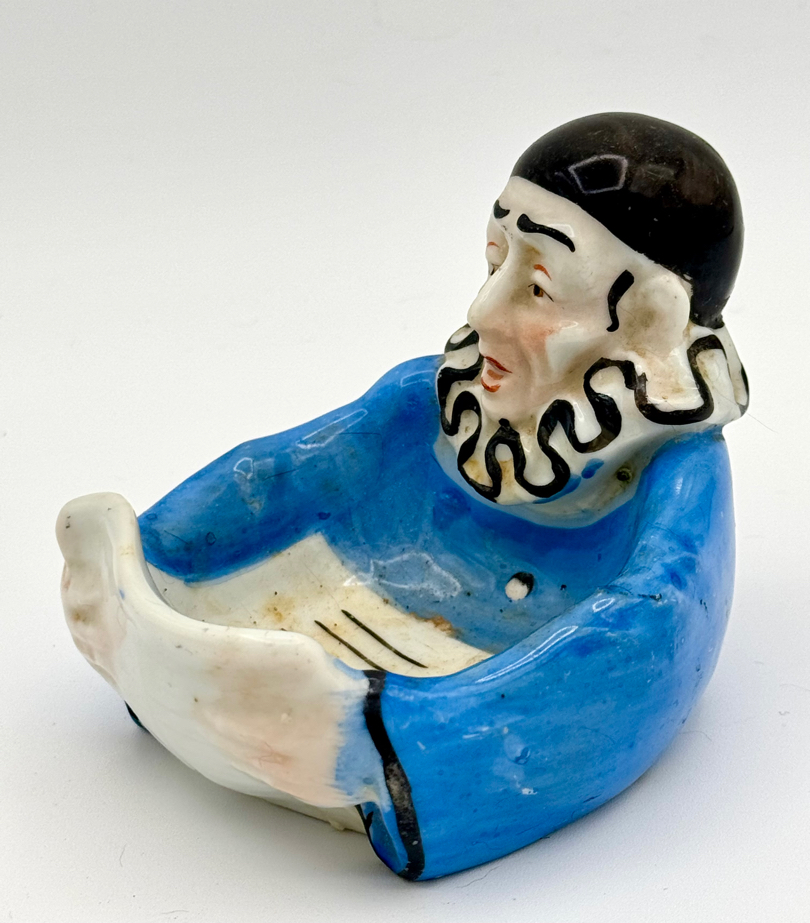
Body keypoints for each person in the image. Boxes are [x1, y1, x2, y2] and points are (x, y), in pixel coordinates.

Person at [59, 112, 748, 880]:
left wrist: (382, 744)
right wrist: (144, 566)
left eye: (538, 286)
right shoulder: (434, 402)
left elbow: (646, 640)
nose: (484, 312)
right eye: (495, 261)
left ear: (648, 320)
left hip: (411, 723)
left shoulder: (676, 481)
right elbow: (292, 473)